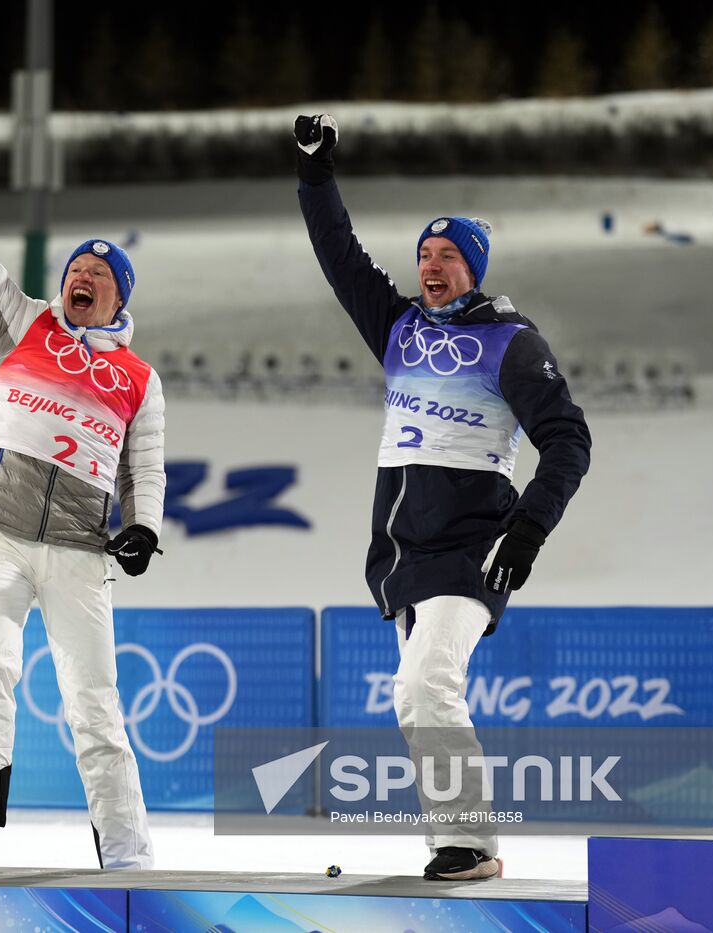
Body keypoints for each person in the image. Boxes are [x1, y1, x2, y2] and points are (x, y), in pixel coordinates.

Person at [292, 114, 592, 881]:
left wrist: (526, 531)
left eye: (448, 255)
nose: (431, 264)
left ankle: (469, 843)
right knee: (415, 694)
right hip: (405, 555)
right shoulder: (399, 329)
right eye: (424, 254)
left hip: (473, 547)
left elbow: (569, 439)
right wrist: (316, 174)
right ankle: (458, 840)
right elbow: (339, 256)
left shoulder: (511, 341)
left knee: (426, 683)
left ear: (474, 269)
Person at [0, 115, 164, 876]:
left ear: (118, 297)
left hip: (78, 551)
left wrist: (145, 528)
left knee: (95, 704)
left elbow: (144, 468)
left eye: (98, 273)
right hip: (0, 534)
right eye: (74, 269)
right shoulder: (24, 323)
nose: (80, 277)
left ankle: (127, 859)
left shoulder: (138, 378)